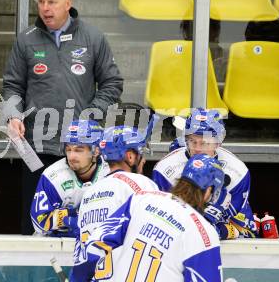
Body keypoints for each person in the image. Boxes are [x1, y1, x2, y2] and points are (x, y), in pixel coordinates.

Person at [3, 0, 123, 234]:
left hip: (81, 150)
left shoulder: (93, 37)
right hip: (38, 148)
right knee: (36, 225)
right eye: (41, 2)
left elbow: (112, 84)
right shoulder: (26, 40)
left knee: (86, 224)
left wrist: (90, 116)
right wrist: (13, 115)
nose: (45, 8)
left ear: (68, 3)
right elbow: (12, 86)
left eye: (52, 2)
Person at [71, 154, 225, 282]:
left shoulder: (142, 198)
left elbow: (95, 246)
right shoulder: (204, 234)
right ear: (208, 192)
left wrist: (77, 279)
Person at [153, 108, 257, 239]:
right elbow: (162, 222)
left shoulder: (238, 172)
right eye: (192, 141)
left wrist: (221, 229)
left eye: (204, 143)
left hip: (225, 227)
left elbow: (236, 225)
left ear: (218, 142)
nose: (197, 148)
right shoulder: (165, 170)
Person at [73, 125, 158, 269]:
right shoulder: (142, 184)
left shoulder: (90, 192)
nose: (144, 160)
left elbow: (81, 251)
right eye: (141, 153)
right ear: (130, 157)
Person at [30, 120, 109, 237]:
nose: (71, 156)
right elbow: (40, 222)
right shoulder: (53, 176)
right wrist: (81, 216)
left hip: (98, 241)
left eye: (78, 150)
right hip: (55, 243)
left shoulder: (110, 172)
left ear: (96, 151)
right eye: (68, 149)